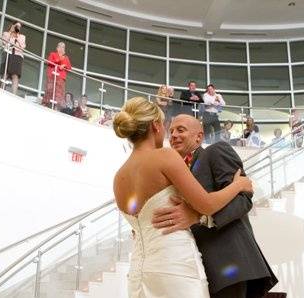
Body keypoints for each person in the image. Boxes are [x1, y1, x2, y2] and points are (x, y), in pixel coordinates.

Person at [113, 97, 254, 298]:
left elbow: (139, 225)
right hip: (175, 263)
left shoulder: (119, 177)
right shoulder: (165, 156)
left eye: (180, 130)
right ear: (155, 126)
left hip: (139, 268)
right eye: (166, 127)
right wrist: (238, 185)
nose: (170, 134)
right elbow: (206, 205)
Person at [151, 114, 278, 298]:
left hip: (228, 264)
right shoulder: (176, 174)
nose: (174, 135)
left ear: (199, 136)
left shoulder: (216, 151)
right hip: (195, 269)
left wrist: (203, 217)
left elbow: (243, 198)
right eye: (171, 131)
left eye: (181, 130)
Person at [42, 42, 72, 110]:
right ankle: (46, 107)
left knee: (58, 95)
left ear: (64, 49)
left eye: (63, 47)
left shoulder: (66, 57)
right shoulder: (53, 54)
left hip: (60, 78)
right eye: (60, 46)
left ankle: (55, 109)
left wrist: (64, 65)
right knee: (50, 92)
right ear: (57, 48)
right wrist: (59, 61)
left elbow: (69, 67)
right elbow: (49, 62)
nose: (61, 48)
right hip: (52, 76)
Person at [1, 21, 26, 95]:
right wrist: (11, 32)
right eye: (16, 26)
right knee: (5, 73)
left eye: (19, 27)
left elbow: (22, 47)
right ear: (13, 25)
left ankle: (14, 94)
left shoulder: (22, 36)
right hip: (8, 53)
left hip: (18, 56)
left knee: (15, 75)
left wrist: (17, 37)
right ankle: (1, 90)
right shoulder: (6, 33)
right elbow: (4, 42)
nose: (17, 28)